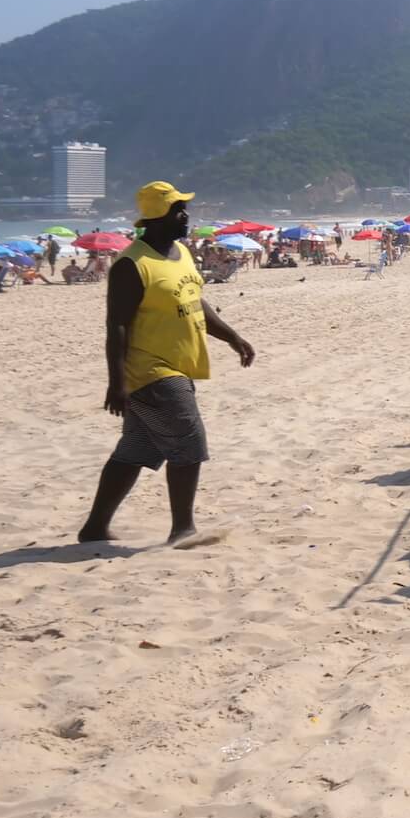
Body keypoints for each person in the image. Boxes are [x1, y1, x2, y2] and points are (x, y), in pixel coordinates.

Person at [77, 182, 256, 546]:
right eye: (178, 209)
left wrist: (232, 337)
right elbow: (117, 326)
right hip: (151, 371)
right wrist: (117, 382)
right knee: (189, 443)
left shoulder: (181, 254)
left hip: (178, 365)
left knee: (136, 449)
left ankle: (95, 527)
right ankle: (183, 529)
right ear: (158, 217)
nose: (185, 215)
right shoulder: (132, 264)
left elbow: (196, 303)